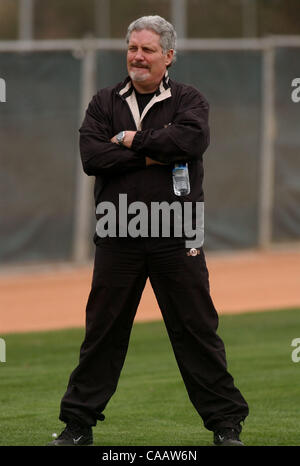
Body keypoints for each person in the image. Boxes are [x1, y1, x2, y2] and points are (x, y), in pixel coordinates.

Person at [49, 15, 249, 447]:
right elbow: (91, 157)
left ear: (168, 56)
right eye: (132, 48)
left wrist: (126, 140)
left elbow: (189, 143)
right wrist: (150, 152)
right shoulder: (103, 102)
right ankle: (77, 426)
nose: (137, 56)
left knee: (196, 329)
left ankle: (226, 426)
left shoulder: (189, 99)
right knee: (103, 332)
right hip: (118, 231)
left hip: (178, 233)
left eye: (148, 50)